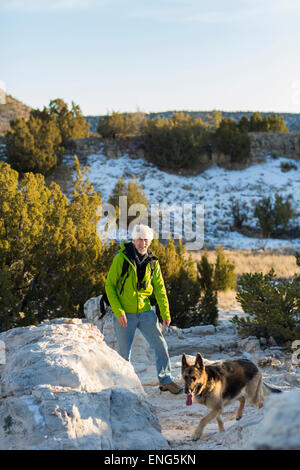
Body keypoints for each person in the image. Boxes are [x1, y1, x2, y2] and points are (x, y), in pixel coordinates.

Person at [105, 224, 182, 394]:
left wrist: (165, 313)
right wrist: (119, 311)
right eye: (140, 239)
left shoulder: (152, 262)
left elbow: (160, 289)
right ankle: (124, 387)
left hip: (146, 312)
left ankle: (165, 381)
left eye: (146, 240)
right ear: (133, 240)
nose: (143, 243)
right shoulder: (121, 258)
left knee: (161, 346)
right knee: (124, 354)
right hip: (125, 313)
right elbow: (110, 286)